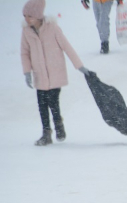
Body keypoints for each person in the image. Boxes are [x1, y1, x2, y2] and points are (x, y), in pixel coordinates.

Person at [21, 0, 89, 146]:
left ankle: (58, 125)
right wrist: (27, 72)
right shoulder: (26, 31)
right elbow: (24, 53)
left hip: (55, 73)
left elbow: (67, 47)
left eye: (30, 16)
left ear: (39, 16)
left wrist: (80, 66)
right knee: (42, 104)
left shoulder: (53, 28)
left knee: (53, 102)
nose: (26, 19)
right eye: (25, 15)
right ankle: (46, 134)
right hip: (39, 75)